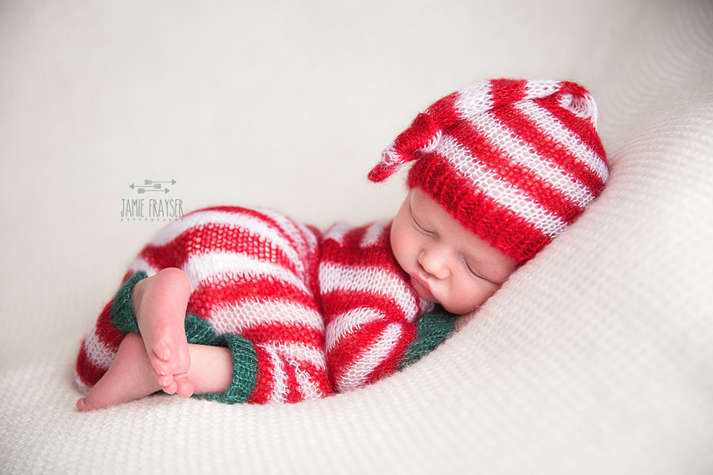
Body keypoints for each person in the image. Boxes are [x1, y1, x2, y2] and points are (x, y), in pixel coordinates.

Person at [74, 78, 609, 411]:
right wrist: (448, 329)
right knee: (309, 384)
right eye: (422, 224)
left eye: (474, 266)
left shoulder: (414, 260)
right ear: (411, 191)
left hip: (204, 244)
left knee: (91, 371)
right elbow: (359, 366)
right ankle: (188, 362)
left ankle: (145, 305)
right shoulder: (379, 271)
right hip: (256, 251)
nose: (431, 260)